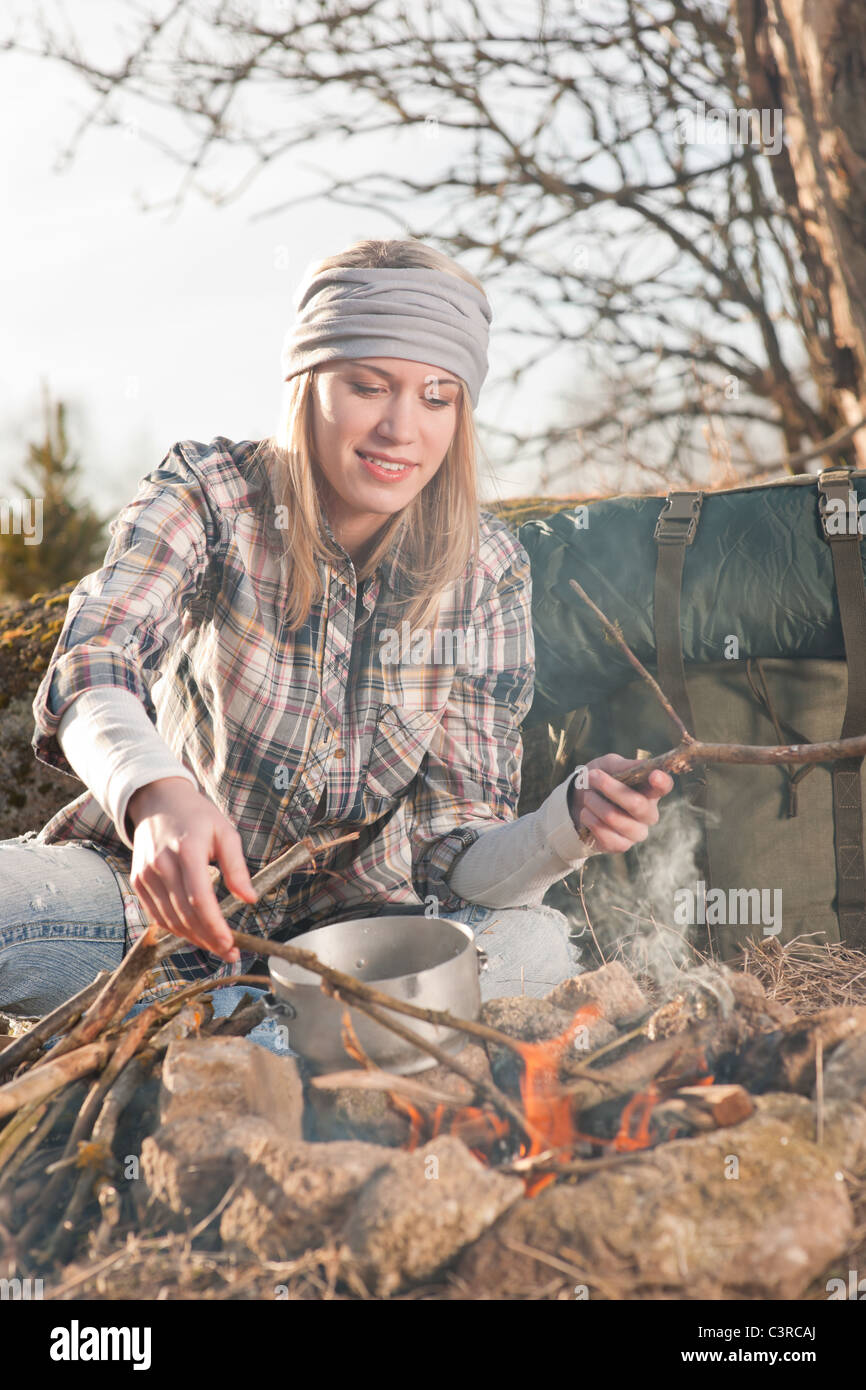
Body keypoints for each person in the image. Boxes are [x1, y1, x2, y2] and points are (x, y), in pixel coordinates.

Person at [0, 238, 673, 1048]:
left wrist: (568, 825)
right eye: (368, 385)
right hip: (153, 917)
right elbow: (94, 659)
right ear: (308, 382)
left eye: (436, 397)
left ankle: (231, 1051)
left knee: (535, 949)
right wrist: (156, 796)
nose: (400, 428)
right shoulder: (213, 494)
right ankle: (267, 1048)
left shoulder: (485, 569)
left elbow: (456, 856)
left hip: (364, 958)